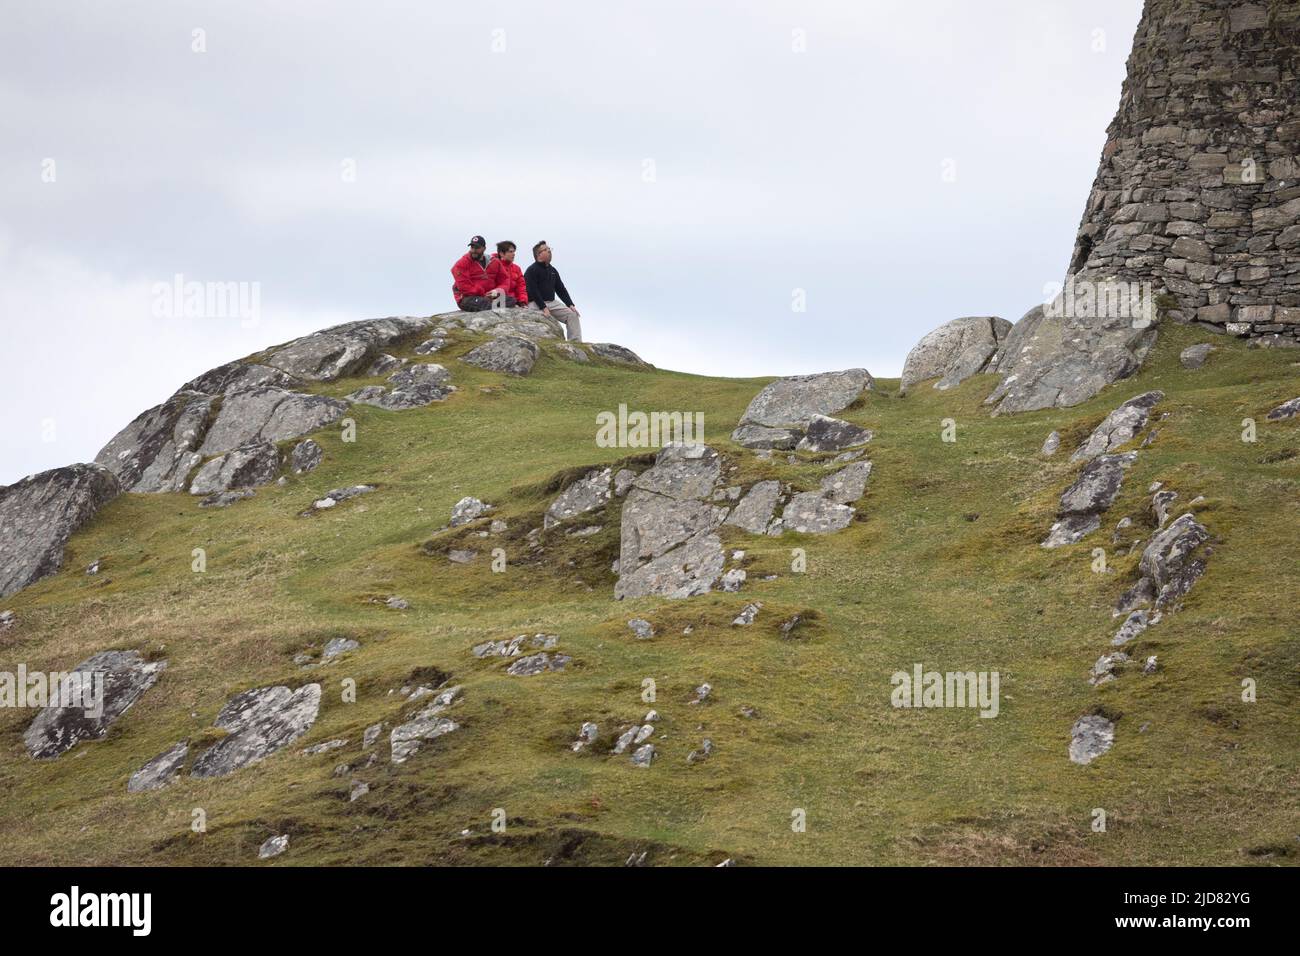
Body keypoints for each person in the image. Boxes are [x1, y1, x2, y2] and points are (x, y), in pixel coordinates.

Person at [525, 240, 582, 341]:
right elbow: (533, 291)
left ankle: (576, 343)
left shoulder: (553, 270)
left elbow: (561, 289)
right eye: (546, 250)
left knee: (573, 315)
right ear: (539, 254)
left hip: (552, 303)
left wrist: (570, 304)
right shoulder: (531, 270)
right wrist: (543, 307)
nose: (549, 251)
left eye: (549, 249)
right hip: (535, 304)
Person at [451, 235, 513, 311]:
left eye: (477, 248)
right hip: (468, 298)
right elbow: (464, 286)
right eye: (472, 247)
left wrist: (497, 291)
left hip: (490, 297)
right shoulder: (461, 264)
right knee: (482, 303)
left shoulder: (494, 262)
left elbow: (505, 280)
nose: (474, 250)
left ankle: (493, 306)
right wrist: (483, 294)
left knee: (511, 300)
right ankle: (495, 308)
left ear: (484, 248)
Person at [485, 241, 528, 310]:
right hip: (497, 299)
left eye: (514, 252)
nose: (513, 254)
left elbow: (521, 287)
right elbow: (488, 285)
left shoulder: (517, 268)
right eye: (510, 252)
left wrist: (523, 302)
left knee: (512, 300)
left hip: (513, 301)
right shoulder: (492, 266)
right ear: (501, 253)